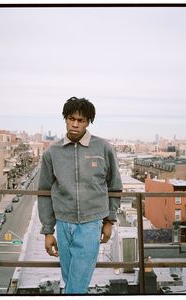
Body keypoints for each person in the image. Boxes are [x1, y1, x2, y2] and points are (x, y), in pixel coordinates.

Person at [38, 97, 123, 294]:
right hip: (63, 223)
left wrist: (109, 220)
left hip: (91, 223)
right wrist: (48, 231)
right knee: (72, 280)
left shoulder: (103, 148)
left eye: (81, 120)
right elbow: (44, 192)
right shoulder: (52, 152)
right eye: (71, 119)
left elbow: (114, 186)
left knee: (76, 285)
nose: (75, 124)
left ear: (88, 122)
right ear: (65, 119)